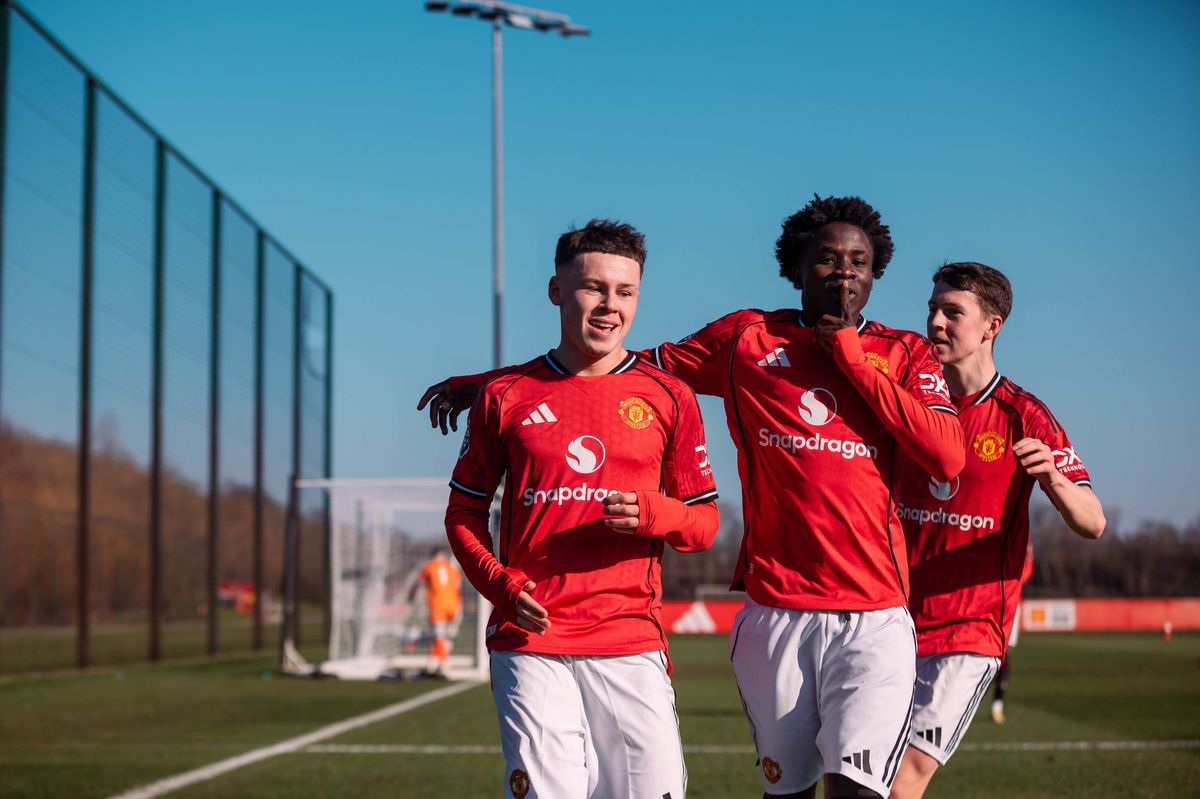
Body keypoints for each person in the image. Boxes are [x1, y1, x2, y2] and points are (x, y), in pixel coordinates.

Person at [423, 196, 965, 799]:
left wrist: (849, 356)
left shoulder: (906, 353)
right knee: (787, 793)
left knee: (860, 793)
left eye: (858, 262)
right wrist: (491, 383)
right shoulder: (747, 340)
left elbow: (946, 454)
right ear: (796, 267)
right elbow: (619, 367)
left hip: (875, 612)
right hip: (777, 610)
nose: (843, 273)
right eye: (827, 259)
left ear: (876, 271)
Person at [444, 219, 719, 799]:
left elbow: (703, 526)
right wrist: (498, 582)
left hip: (631, 641)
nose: (609, 306)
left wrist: (654, 514)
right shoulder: (504, 396)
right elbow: (462, 514)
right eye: (593, 287)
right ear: (556, 291)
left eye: (625, 292)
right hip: (531, 642)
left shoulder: (669, 395)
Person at [888, 262, 1105, 799]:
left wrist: (1052, 477)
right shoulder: (905, 403)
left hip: (968, 628)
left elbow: (1093, 521)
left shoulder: (1023, 416)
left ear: (992, 326)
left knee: (903, 780)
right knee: (853, 774)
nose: (935, 322)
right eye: (932, 309)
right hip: (887, 620)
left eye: (952, 312)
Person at [990, 536, 1034, 724]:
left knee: (1003, 653)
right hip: (983, 594)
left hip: (1009, 599)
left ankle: (997, 703)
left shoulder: (1024, 532)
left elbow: (1027, 567)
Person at [406, 546, 462, 677]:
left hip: (438, 606)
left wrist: (412, 595)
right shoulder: (451, 568)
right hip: (453, 605)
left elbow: (418, 583)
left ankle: (444, 664)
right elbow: (457, 586)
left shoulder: (429, 567)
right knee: (442, 636)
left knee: (439, 637)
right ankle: (432, 662)